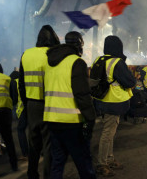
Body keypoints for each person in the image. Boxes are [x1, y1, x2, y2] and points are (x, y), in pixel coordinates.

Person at [44, 31, 97, 178]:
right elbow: (82, 95)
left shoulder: (50, 63)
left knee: (57, 163)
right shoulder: (76, 62)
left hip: (52, 120)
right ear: (79, 45)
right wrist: (90, 119)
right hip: (72, 122)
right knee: (84, 163)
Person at [19, 25, 59, 179]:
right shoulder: (53, 54)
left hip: (31, 104)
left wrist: (27, 103)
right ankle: (48, 175)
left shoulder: (26, 54)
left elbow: (21, 83)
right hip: (49, 103)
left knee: (33, 144)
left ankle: (32, 174)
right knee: (48, 144)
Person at [93, 36, 136, 177]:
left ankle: (109, 159)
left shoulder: (98, 60)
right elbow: (129, 81)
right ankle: (102, 163)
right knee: (107, 133)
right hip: (114, 102)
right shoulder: (117, 62)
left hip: (100, 100)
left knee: (109, 131)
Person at [10, 68, 28, 161]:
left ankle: (25, 154)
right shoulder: (24, 80)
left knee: (20, 130)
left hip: (22, 109)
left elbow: (14, 99)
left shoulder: (13, 83)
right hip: (30, 106)